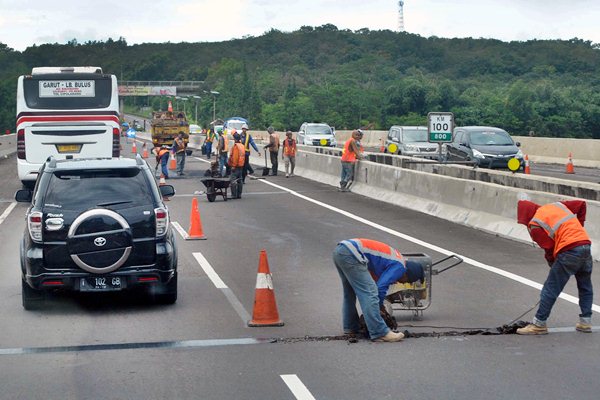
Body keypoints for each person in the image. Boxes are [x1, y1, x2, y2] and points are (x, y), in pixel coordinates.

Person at [516, 200, 593, 335]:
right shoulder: (556, 206)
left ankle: (539, 324)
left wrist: (552, 263)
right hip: (585, 244)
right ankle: (585, 323)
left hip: (569, 250)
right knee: (585, 286)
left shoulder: (535, 224)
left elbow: (549, 248)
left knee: (551, 287)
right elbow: (581, 204)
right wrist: (578, 228)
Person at [332, 238, 425, 342]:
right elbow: (379, 289)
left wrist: (379, 307)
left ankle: (351, 327)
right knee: (370, 292)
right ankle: (379, 332)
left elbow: (374, 280)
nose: (402, 283)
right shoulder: (400, 266)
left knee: (350, 292)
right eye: (407, 281)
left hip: (341, 251)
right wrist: (379, 307)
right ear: (407, 273)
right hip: (351, 254)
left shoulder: (395, 259)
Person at [228, 133, 246, 199]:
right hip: (241, 165)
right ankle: (239, 194)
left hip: (236, 166)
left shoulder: (236, 146)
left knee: (233, 180)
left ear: (235, 139)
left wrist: (233, 166)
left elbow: (235, 157)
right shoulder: (242, 146)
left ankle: (234, 195)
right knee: (239, 180)